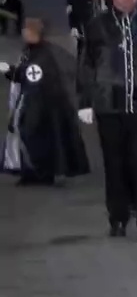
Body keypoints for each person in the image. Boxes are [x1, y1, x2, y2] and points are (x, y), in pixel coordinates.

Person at [78, 0, 137, 240]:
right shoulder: (97, 25)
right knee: (114, 165)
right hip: (109, 106)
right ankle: (118, 217)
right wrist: (85, 101)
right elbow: (86, 65)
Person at [2, 18, 89, 184]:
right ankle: (32, 171)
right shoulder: (34, 51)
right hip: (40, 101)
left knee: (33, 134)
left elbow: (31, 75)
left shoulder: (42, 54)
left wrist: (11, 71)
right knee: (33, 135)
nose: (24, 33)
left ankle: (41, 172)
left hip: (40, 103)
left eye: (27, 30)